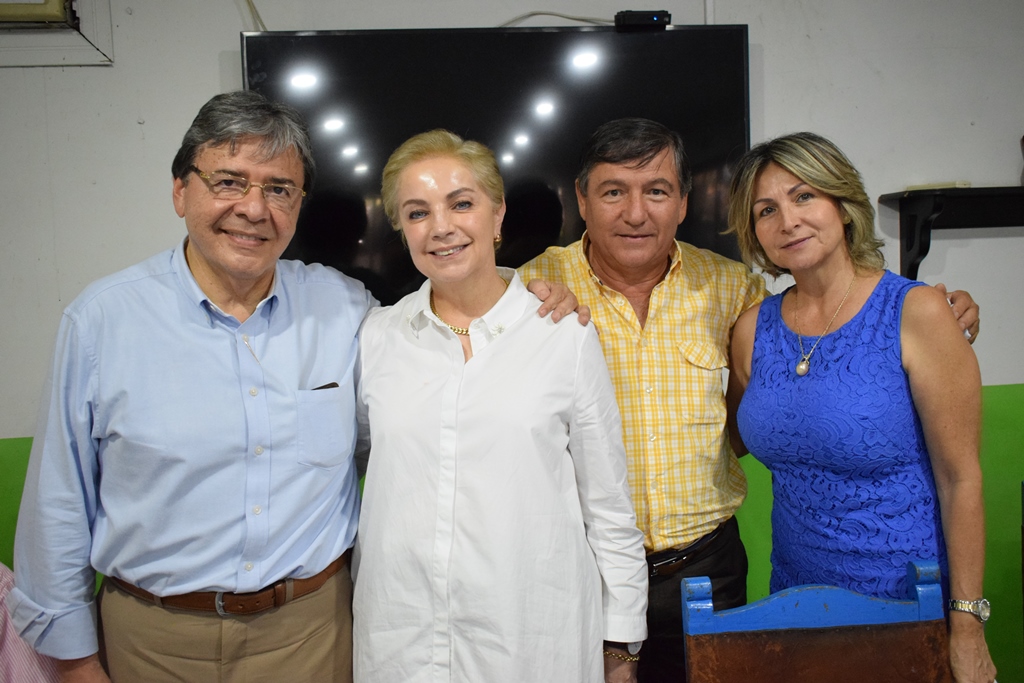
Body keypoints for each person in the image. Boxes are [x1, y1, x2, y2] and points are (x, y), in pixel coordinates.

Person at [516, 118, 982, 681]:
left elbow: (760, 415)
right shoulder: (526, 291)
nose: (636, 213)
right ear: (582, 200)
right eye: (614, 192)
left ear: (683, 202)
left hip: (711, 571)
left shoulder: (734, 291)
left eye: (657, 191)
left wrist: (943, 312)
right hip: (580, 569)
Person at [352, 130, 648, 683]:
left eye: (461, 203)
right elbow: (360, 463)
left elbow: (608, 506)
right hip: (403, 639)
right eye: (417, 212)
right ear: (401, 229)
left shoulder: (563, 334)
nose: (441, 227)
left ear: (497, 214)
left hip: (531, 638)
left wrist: (621, 644)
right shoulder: (376, 338)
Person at [726, 132, 995, 683]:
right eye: (766, 210)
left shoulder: (916, 312)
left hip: (907, 603)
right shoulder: (753, 329)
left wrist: (968, 624)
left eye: (804, 196)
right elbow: (733, 439)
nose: (788, 221)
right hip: (797, 603)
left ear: (842, 205)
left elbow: (960, 479)